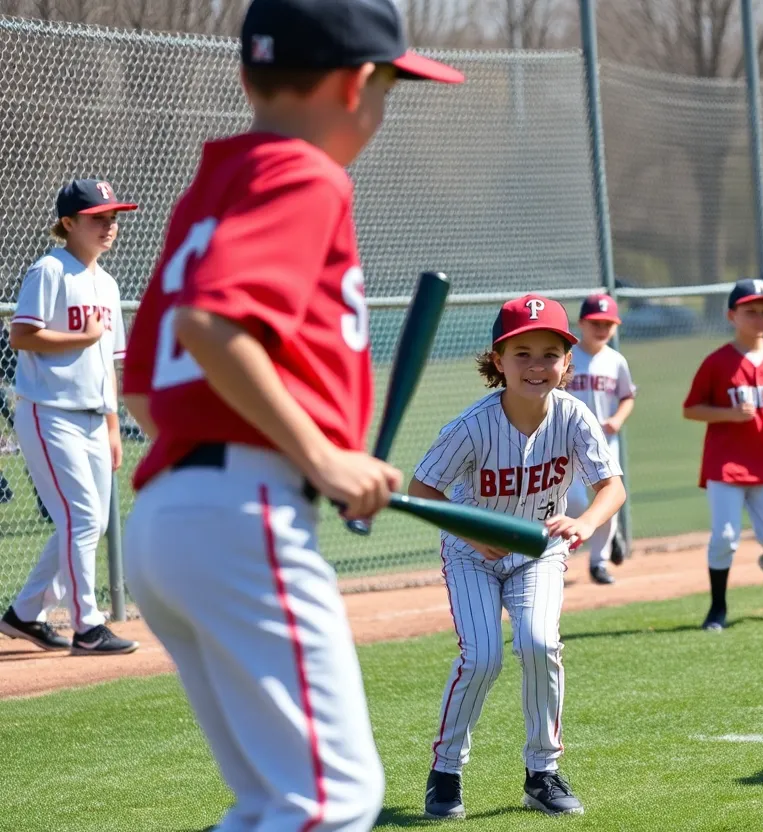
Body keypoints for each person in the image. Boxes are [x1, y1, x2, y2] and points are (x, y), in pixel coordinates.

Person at [118, 1, 464, 829]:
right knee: (334, 801)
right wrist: (321, 457)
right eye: (388, 89)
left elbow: (143, 386)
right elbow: (211, 326)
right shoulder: (307, 173)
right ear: (354, 85)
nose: (383, 111)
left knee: (275, 805)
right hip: (244, 511)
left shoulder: (215, 186)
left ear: (247, 74)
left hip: (172, 516)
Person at [410, 294, 625, 819]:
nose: (536, 365)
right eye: (521, 353)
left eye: (549, 353)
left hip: (540, 551)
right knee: (482, 657)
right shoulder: (470, 425)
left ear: (567, 363)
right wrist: (472, 533)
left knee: (540, 643)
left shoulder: (575, 417)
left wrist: (585, 522)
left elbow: (611, 487)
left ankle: (543, 772)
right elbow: (421, 490)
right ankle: (446, 772)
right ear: (498, 360)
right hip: (471, 554)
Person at [0, 178, 137, 656]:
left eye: (113, 217)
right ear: (68, 223)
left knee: (90, 523)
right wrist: (81, 338)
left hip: (93, 417)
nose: (109, 226)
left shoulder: (108, 283)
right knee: (81, 518)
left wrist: (114, 424)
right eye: (98, 218)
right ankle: (88, 626)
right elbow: (21, 335)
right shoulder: (50, 270)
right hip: (48, 412)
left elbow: (108, 364)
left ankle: (24, 614)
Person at [681, 278, 763, 632]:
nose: (760, 318)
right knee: (725, 537)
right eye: (750, 312)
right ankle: (718, 607)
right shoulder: (717, 362)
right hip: (727, 464)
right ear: (731, 315)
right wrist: (730, 415)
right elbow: (691, 409)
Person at [564, 293, 636, 585]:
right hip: (568, 442)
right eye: (596, 322)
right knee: (575, 500)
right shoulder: (568, 357)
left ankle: (598, 562)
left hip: (605, 441)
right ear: (582, 323)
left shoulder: (616, 360)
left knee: (608, 498)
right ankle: (603, 534)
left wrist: (618, 418)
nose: (602, 328)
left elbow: (627, 397)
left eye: (609, 323)